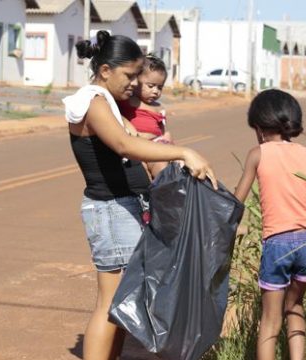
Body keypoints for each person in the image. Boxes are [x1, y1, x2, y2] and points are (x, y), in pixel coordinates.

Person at [63, 30, 217, 360]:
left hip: (123, 208)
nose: (135, 83)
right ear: (106, 71)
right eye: (130, 75)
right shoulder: (93, 101)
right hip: (111, 210)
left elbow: (134, 138)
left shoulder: (108, 103)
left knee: (121, 303)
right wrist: (183, 152)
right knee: (111, 301)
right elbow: (123, 145)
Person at [233, 89, 306, 360]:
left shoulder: (258, 153)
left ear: (258, 127)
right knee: (295, 305)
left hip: (277, 244)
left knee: (270, 318)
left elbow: (236, 204)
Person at [117, 54, 171, 178]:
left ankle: (164, 189)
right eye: (150, 86)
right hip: (135, 148)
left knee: (163, 168)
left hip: (155, 149)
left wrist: (164, 140)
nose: (155, 91)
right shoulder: (129, 100)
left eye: (160, 87)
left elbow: (161, 131)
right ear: (136, 81)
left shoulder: (159, 107)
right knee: (141, 174)